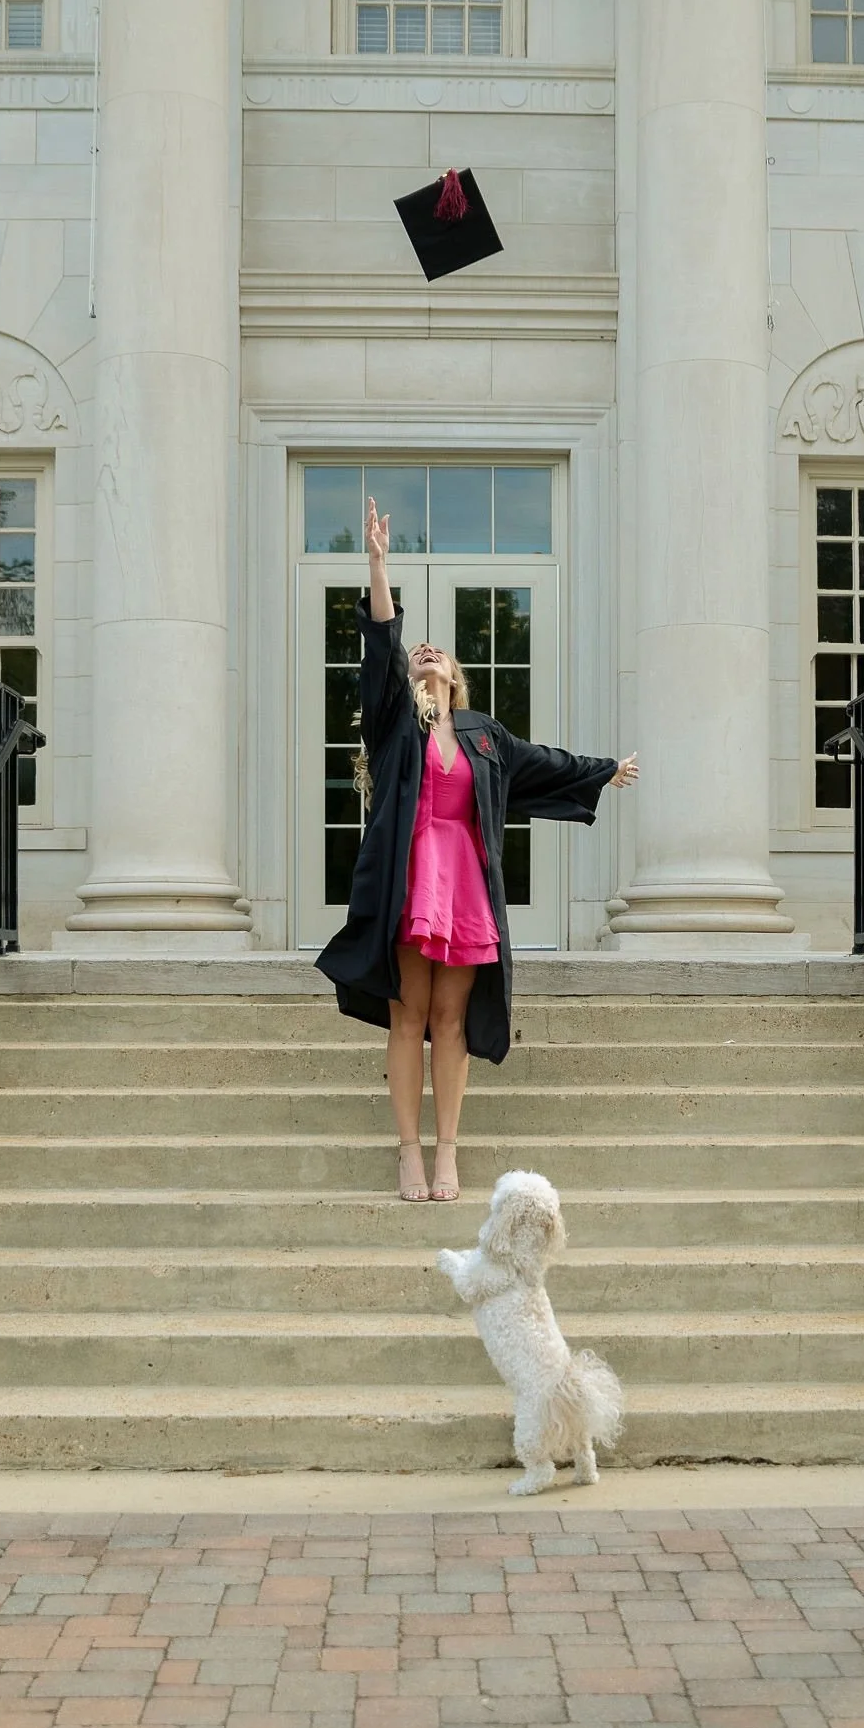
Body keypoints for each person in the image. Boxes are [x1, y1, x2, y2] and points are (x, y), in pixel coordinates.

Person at [316, 498, 639, 1204]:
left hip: (463, 887)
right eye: (418, 652)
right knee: (407, 1016)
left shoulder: (484, 736)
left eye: (439, 654)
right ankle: (408, 1152)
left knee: (450, 1021)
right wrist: (376, 565)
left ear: (456, 675)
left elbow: (543, 762)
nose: (427, 652)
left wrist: (603, 769)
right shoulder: (394, 725)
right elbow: (377, 648)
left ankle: (447, 1156)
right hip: (408, 886)